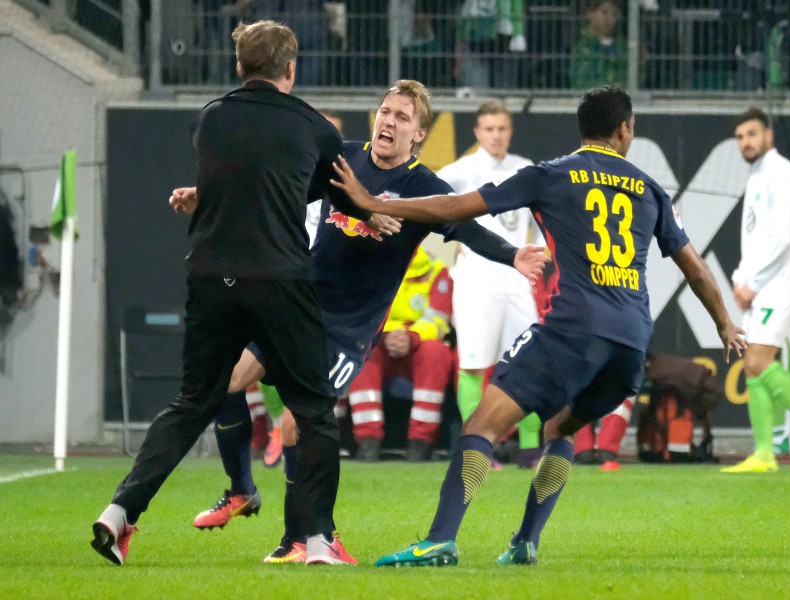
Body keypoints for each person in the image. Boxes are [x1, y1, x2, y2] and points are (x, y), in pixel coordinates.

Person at [331, 85, 746, 567]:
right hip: (632, 343)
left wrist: (376, 203)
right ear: (624, 130)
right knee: (561, 426)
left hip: (572, 329)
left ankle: (440, 538)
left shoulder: (549, 175)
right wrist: (724, 325)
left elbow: (453, 208)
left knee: (482, 424)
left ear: (582, 127)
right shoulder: (649, 188)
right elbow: (695, 267)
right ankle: (526, 541)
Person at [175, 79, 549, 563]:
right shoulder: (344, 158)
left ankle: (304, 538)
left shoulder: (424, 187)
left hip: (347, 329)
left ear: (418, 134)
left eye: (402, 117)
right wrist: (205, 196)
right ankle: (243, 490)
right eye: (385, 111)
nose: (388, 121)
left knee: (296, 422)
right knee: (224, 384)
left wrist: (512, 254)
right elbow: (274, 186)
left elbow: (465, 228)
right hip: (299, 306)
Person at [90, 19, 374, 567]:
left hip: (211, 278)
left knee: (192, 402)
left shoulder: (209, 119)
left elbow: (241, 178)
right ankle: (317, 541)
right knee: (313, 411)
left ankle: (119, 512)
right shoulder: (316, 129)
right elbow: (331, 193)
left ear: (239, 66)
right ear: (291, 70)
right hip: (280, 281)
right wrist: (374, 215)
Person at [437, 99, 543, 470]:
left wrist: (540, 252)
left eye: (502, 128)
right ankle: (476, 447)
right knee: (473, 365)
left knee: (529, 364)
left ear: (510, 131)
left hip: (516, 282)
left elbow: (539, 221)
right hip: (476, 281)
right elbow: (430, 206)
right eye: (489, 129)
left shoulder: (525, 169)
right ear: (477, 132)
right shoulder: (462, 171)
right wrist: (450, 252)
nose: (496, 135)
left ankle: (530, 449)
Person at [721, 107, 790, 474]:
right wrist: (740, 278)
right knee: (752, 370)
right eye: (740, 137)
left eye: (751, 134)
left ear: (768, 135)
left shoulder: (782, 173)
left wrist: (754, 282)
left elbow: (784, 237)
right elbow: (754, 237)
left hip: (781, 283)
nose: (745, 142)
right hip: (758, 285)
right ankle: (765, 454)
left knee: (757, 362)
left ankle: (767, 453)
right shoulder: (756, 176)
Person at [348, 246, 456, 462]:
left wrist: (411, 338)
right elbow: (361, 314)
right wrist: (385, 335)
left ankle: (421, 442)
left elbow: (439, 320)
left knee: (436, 351)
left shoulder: (436, 270)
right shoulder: (367, 268)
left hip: (417, 347)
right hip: (379, 343)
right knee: (361, 348)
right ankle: (368, 440)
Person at [454, 0, 527, 93]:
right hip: (478, 39)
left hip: (502, 38)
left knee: (503, 80)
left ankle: (502, 99)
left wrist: (518, 33)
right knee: (479, 82)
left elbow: (517, 9)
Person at [569, 0, 627, 89]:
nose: (609, 18)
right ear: (590, 14)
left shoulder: (623, 46)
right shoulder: (584, 47)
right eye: (604, 12)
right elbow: (580, 81)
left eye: (614, 14)